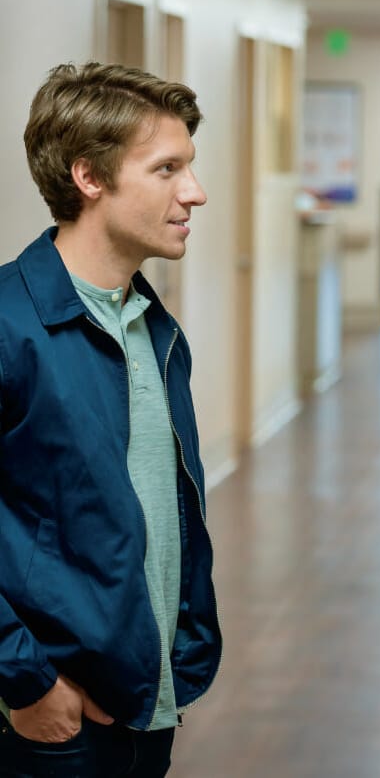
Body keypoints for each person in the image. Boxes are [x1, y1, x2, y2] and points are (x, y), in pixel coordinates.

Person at [0, 62, 222, 777]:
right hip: (47, 720)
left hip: (143, 698)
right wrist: (26, 679)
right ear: (90, 178)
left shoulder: (150, 326)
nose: (195, 192)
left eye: (189, 166)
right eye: (167, 169)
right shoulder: (9, 326)